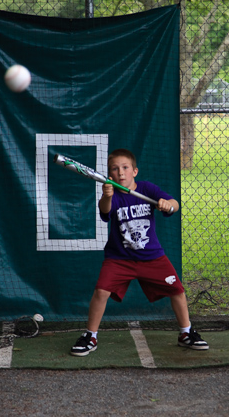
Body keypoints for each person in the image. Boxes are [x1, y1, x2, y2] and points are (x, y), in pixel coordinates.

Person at [70, 149, 209, 356]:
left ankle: (186, 333)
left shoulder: (146, 189)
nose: (121, 173)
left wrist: (167, 204)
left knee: (177, 290)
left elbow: (174, 204)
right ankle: (90, 336)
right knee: (101, 292)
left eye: (125, 168)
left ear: (134, 171)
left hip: (152, 258)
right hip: (119, 259)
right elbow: (105, 210)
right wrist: (105, 196)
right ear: (110, 175)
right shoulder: (113, 195)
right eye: (115, 170)